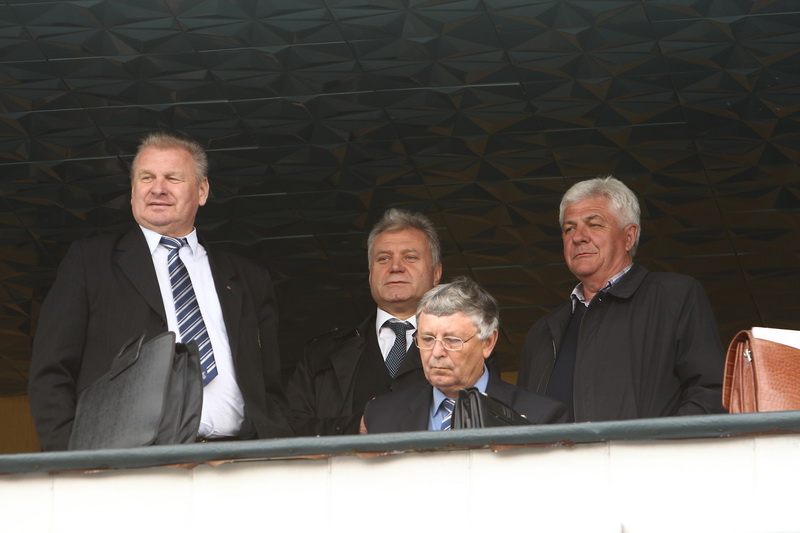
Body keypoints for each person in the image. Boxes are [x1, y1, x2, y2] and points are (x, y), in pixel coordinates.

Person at [28, 132, 294, 451]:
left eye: (172, 178)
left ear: (202, 191)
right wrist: (69, 459)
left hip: (241, 457)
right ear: (132, 192)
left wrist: (278, 450)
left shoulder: (249, 278)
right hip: (130, 461)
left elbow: (270, 386)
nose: (157, 188)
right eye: (146, 177)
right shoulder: (90, 262)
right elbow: (51, 372)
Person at [517, 176, 725, 422]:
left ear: (629, 237)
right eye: (569, 228)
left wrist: (659, 442)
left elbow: (711, 392)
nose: (578, 237)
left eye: (594, 224)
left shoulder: (674, 296)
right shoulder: (542, 331)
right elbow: (520, 419)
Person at [286, 208, 444, 436]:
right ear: (370, 274)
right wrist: (354, 427)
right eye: (383, 259)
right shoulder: (320, 354)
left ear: (436, 273)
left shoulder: (465, 346)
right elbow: (289, 429)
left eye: (410, 257)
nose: (395, 267)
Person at [363, 277, 567, 433]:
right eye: (427, 339)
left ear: (487, 343)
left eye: (452, 340)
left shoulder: (540, 417)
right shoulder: (381, 415)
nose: (436, 352)